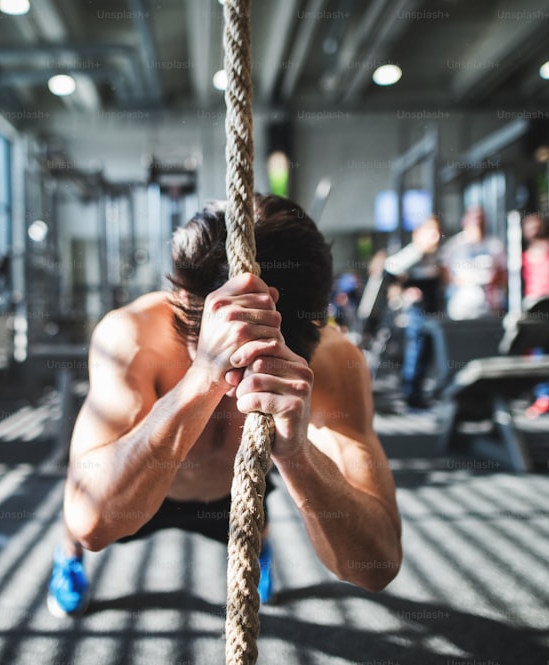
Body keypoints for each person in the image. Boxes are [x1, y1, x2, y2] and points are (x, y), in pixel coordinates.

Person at [46, 194, 403, 617]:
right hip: (141, 488)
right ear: (179, 299)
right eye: (232, 344)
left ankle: (257, 547)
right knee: (75, 524)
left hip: (232, 493)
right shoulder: (131, 336)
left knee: (256, 511)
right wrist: (200, 380)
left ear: (313, 325)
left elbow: (378, 566)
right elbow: (94, 523)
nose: (241, 376)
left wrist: (297, 456)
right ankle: (66, 562)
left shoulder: (334, 360)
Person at [383, 215, 444, 409]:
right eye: (430, 232)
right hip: (417, 312)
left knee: (426, 353)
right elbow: (390, 270)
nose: (435, 236)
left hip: (432, 311)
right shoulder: (415, 252)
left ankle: (419, 394)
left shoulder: (434, 255)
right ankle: (410, 395)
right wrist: (405, 291)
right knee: (415, 353)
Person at [520, 212, 549, 418]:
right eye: (529, 227)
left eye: (537, 226)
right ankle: (543, 396)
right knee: (537, 353)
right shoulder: (524, 256)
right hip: (534, 310)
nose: (533, 230)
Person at [441, 207, 506, 320]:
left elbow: (503, 273)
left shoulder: (495, 245)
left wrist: (488, 283)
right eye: (474, 218)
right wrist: (466, 283)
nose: (477, 222)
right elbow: (444, 273)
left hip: (489, 306)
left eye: (480, 219)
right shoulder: (454, 245)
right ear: (465, 221)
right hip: (461, 304)